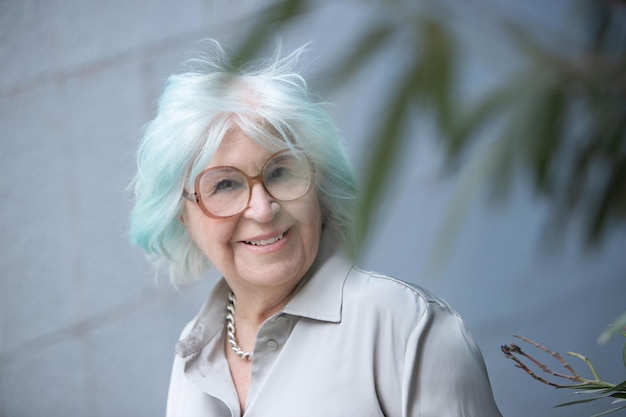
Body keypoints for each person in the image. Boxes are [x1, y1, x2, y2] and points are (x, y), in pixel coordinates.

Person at [129, 40, 502, 417]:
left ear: (318, 183)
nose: (262, 208)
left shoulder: (409, 330)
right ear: (182, 216)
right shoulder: (193, 348)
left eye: (280, 172)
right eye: (224, 184)